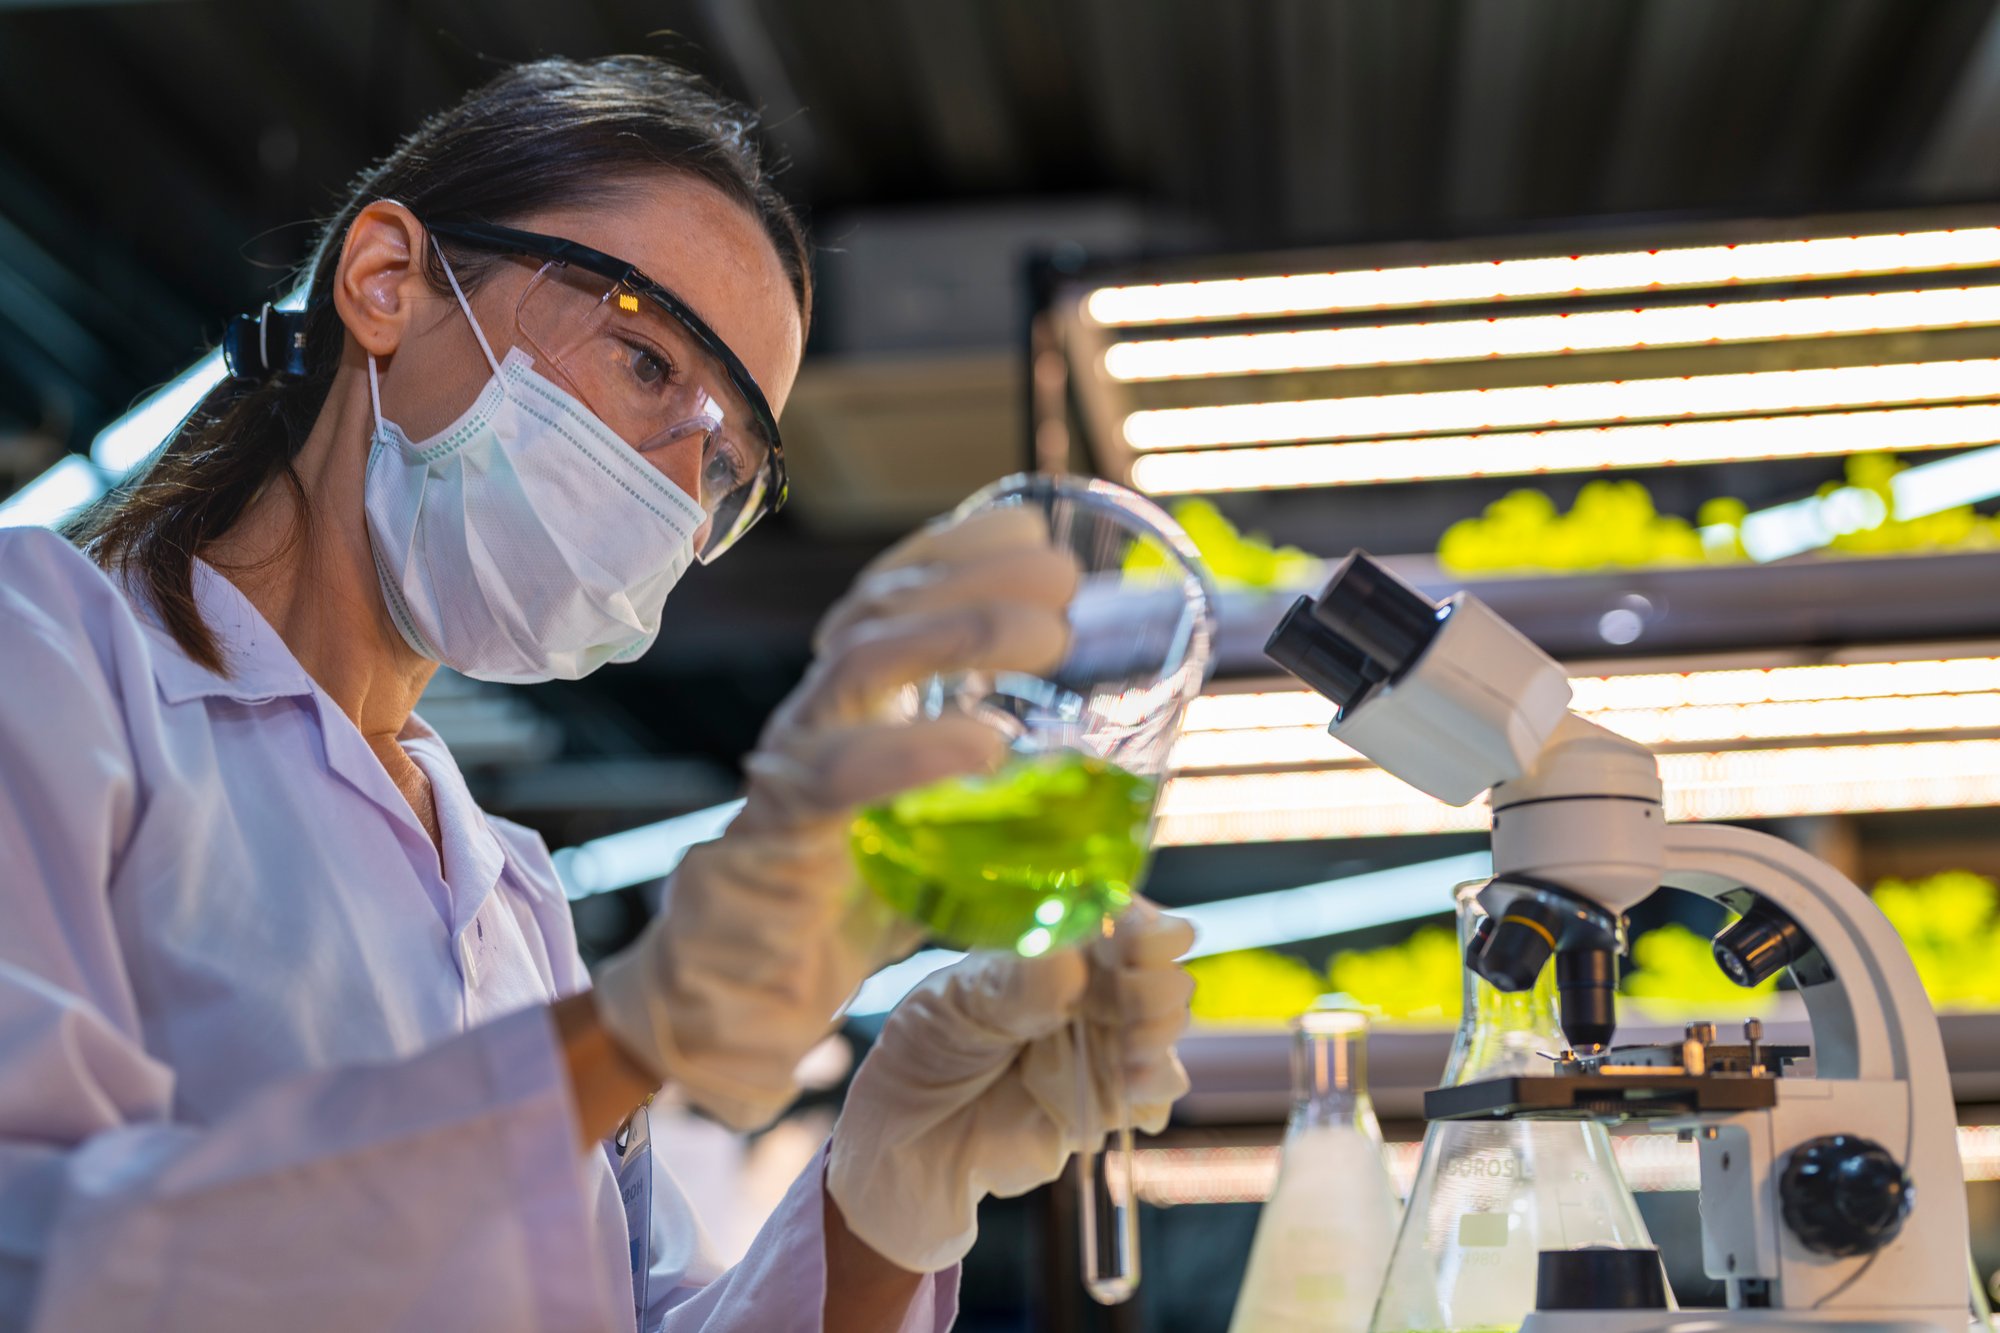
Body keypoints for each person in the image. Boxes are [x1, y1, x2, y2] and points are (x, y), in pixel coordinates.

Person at [0, 55, 1196, 1332]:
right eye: (642, 358)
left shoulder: (511, 900)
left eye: (728, 457)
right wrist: (623, 1038)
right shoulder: (53, 656)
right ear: (387, 282)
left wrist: (886, 1198)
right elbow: (51, 1259)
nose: (678, 484)